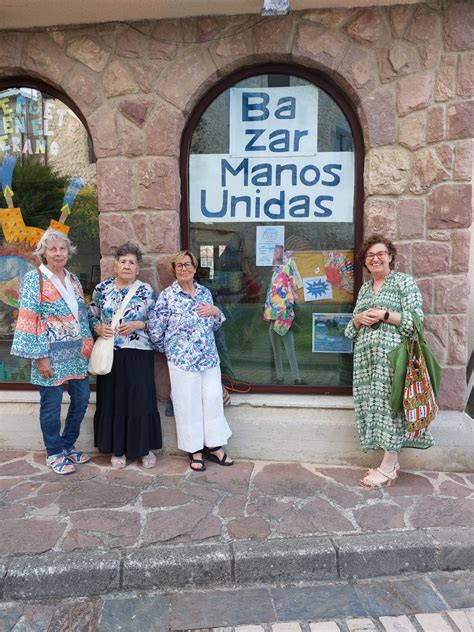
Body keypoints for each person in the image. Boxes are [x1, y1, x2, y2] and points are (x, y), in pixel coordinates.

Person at [345, 234, 433, 488]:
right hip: (365, 362)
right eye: (370, 255)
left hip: (393, 360)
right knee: (373, 408)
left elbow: (416, 323)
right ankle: (388, 461)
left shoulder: (403, 283)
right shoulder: (364, 288)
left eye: (380, 253)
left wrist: (385, 314)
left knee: (391, 409)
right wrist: (359, 319)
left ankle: (389, 465)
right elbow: (350, 330)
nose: (375, 258)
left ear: (390, 257)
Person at [11, 229, 93, 475]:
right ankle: (54, 452)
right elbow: (28, 318)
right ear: (43, 252)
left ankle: (68, 445)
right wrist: (41, 357)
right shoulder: (34, 278)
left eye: (62, 249)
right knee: (52, 405)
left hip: (76, 352)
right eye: (53, 249)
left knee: (81, 400)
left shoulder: (73, 279)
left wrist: (88, 344)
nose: (58, 253)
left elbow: (81, 316)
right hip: (49, 353)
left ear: (69, 252)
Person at [148, 250, 233, 472]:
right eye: (179, 266)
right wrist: (172, 350)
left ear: (195, 268)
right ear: (174, 270)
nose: (184, 269)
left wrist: (216, 312)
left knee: (213, 400)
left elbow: (214, 326)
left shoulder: (205, 292)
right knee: (188, 404)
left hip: (208, 357)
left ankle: (214, 446)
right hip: (182, 360)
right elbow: (156, 329)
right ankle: (194, 450)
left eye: (188, 265)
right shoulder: (168, 296)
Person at [88, 242, 162, 469]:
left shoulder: (146, 290)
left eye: (132, 262)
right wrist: (98, 328)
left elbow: (158, 321)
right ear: (115, 265)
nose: (127, 266)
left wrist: (140, 324)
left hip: (139, 352)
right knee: (114, 399)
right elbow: (91, 315)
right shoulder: (102, 289)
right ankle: (117, 448)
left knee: (140, 398)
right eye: (123, 262)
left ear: (138, 268)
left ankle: (143, 447)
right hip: (110, 352)